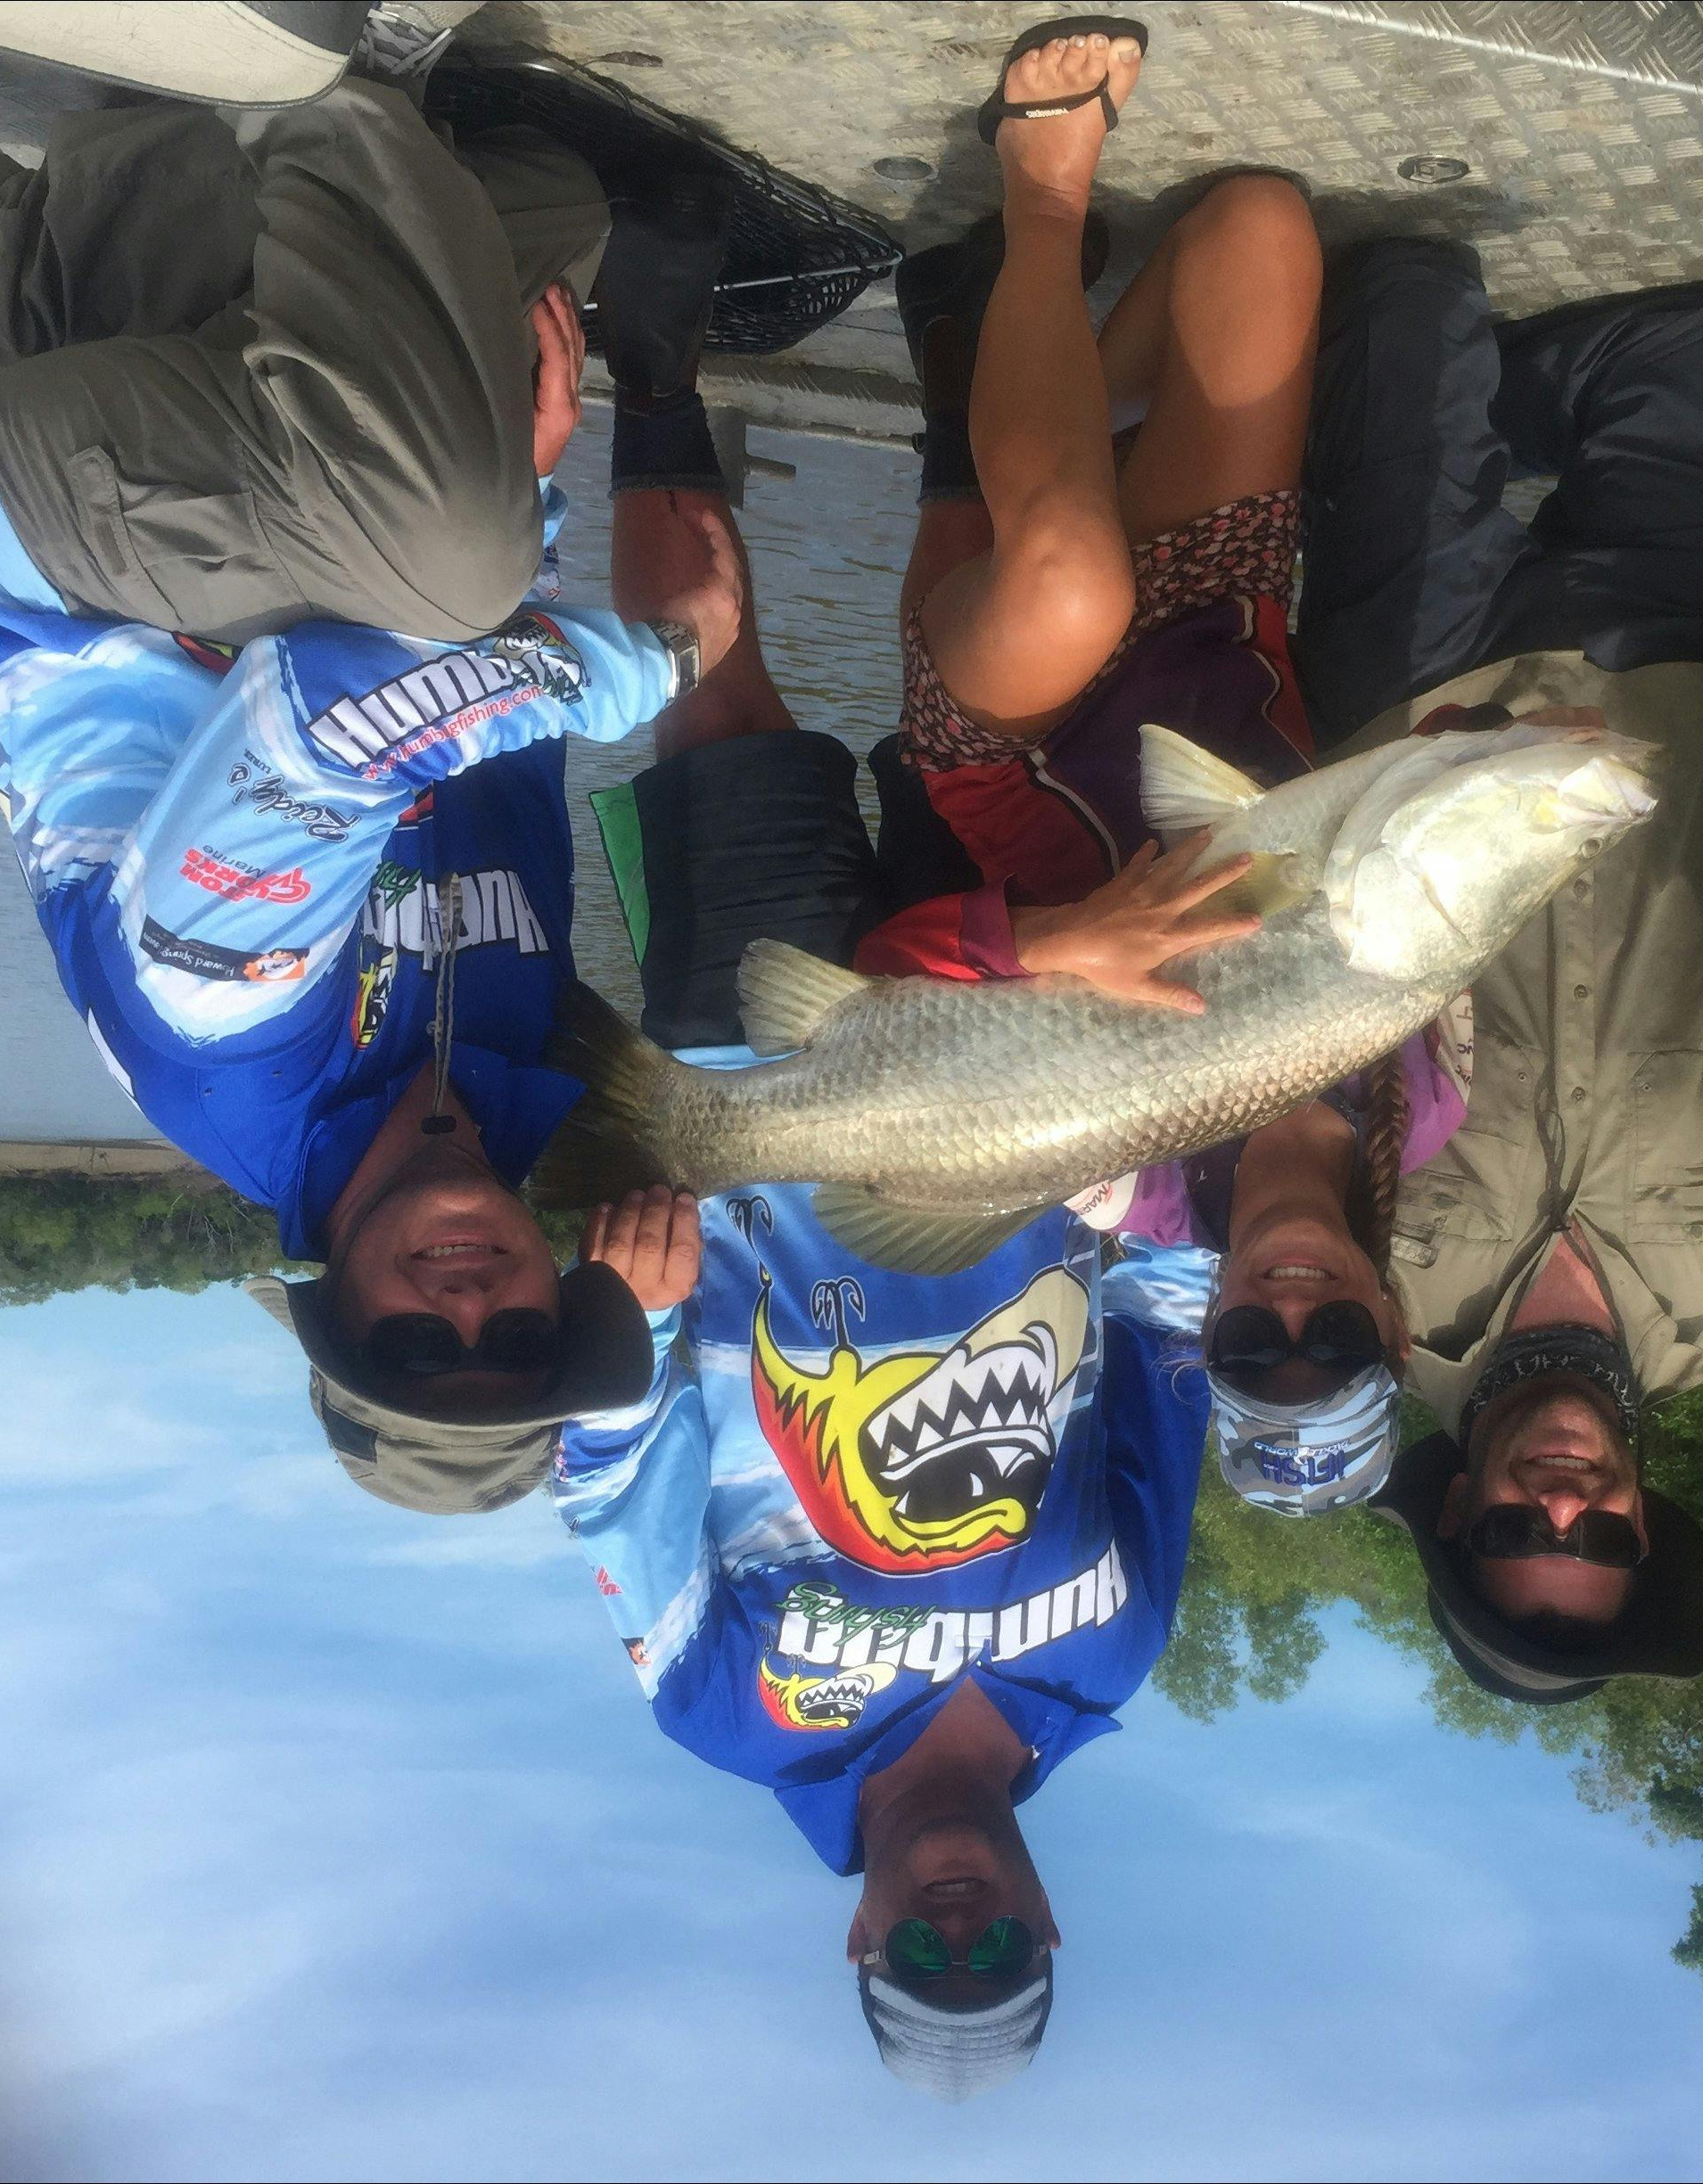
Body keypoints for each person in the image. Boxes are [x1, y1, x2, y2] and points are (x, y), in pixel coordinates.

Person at [547, 21, 1238, 2104]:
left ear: (859, 1938)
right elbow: (1180, 1350)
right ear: (1045, 1924)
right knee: (976, 716)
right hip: (1014, 1074)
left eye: (918, 1954)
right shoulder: (1114, 1652)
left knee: (712, 699)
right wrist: (1148, 1182)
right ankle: (964, 337)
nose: (954, 1914)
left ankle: (659, 336)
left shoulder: (721, 1710)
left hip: (757, 1134)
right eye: (991, 1949)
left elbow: (608, 1470)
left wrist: (627, 1304)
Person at [0, 43, 743, 1511]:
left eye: (421, 1345)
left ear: (337, 1303)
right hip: (248, 569)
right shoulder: (510, 1080)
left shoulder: (225, 1045)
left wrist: (661, 660)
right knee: (543, 210)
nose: (474, 1305)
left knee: (449, 523)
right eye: (520, 1334)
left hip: (35, 562)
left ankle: (348, 46)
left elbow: (331, 718)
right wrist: (517, 478)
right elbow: (470, 731)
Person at [864, 20, 1452, 1513]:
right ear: (1392, 1326)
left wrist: (1065, 940)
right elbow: (1411, 845)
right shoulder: (1428, 1100)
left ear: (1215, 1324)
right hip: (1218, 642)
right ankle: (1017, 368)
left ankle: (1040, 206)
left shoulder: (1118, 1178)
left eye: (1257, 1344)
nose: (1293, 1305)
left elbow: (888, 992)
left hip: (1014, 743)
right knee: (1255, 225)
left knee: (1065, 581)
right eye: (1337, 1343)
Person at [1267, 232, 1703, 1705]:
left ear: (1460, 1508)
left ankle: (1427, 444)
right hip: (1640, 692)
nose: (1564, 1500)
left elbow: (1254, 1085)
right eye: (1600, 1536)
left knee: (1412, 287)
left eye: (1518, 1529)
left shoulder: (1358, 1311)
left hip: (1415, 712)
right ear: (1650, 1521)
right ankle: (1514, 433)